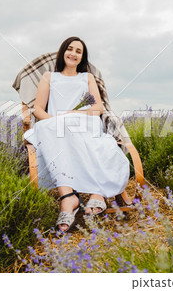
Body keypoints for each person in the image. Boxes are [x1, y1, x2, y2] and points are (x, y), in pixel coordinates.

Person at [23, 37, 130, 232]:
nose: (73, 54)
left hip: (84, 121)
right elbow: (38, 109)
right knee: (45, 129)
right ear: (63, 52)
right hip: (56, 124)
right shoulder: (49, 77)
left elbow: (97, 107)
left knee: (98, 140)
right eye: (70, 49)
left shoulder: (87, 78)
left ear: (82, 57)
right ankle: (68, 197)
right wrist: (56, 121)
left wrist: (74, 113)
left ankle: (97, 192)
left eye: (78, 51)